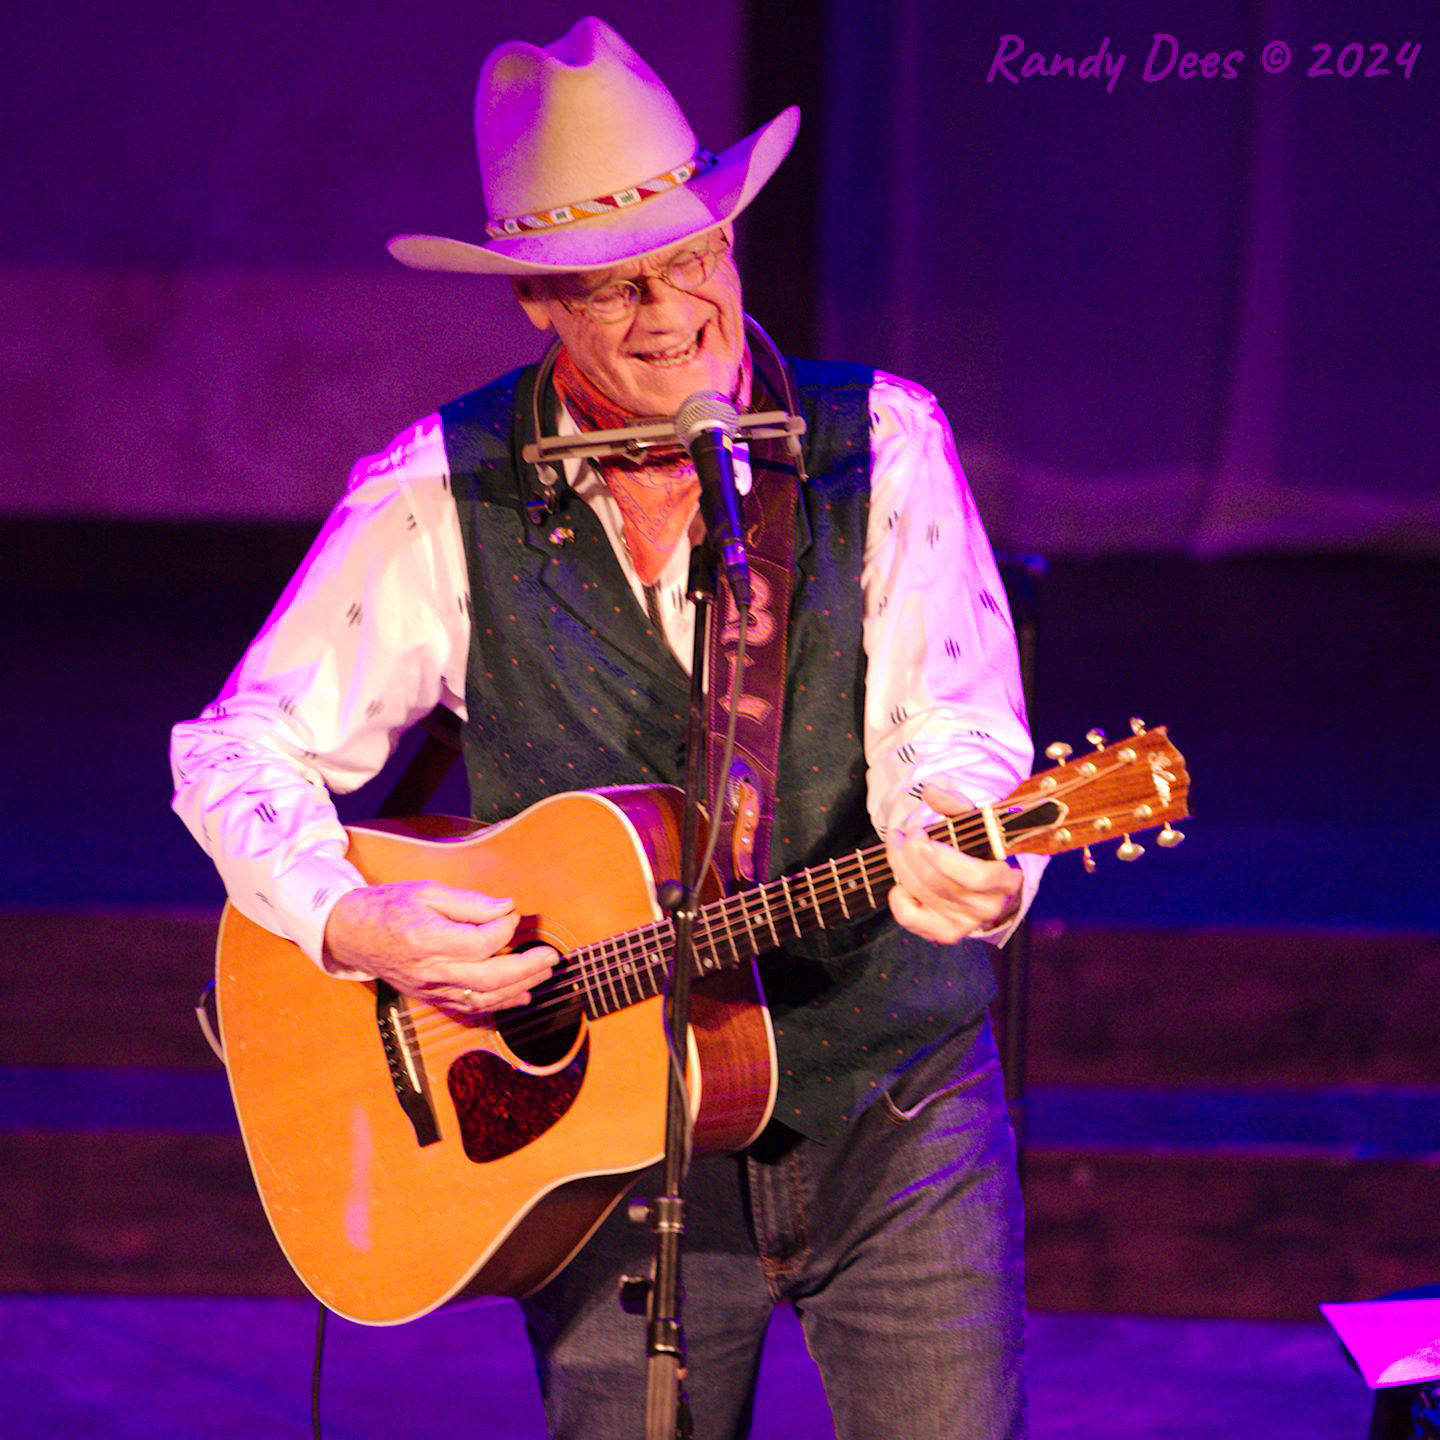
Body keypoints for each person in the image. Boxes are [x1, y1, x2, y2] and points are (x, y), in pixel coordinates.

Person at [171, 16, 1044, 1438]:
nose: (669, 310)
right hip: (606, 1164)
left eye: (693, 256)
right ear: (534, 300)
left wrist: (960, 842)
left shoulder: (878, 444)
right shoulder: (439, 489)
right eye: (610, 283)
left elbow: (950, 728)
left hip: (894, 1118)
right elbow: (233, 747)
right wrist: (351, 921)